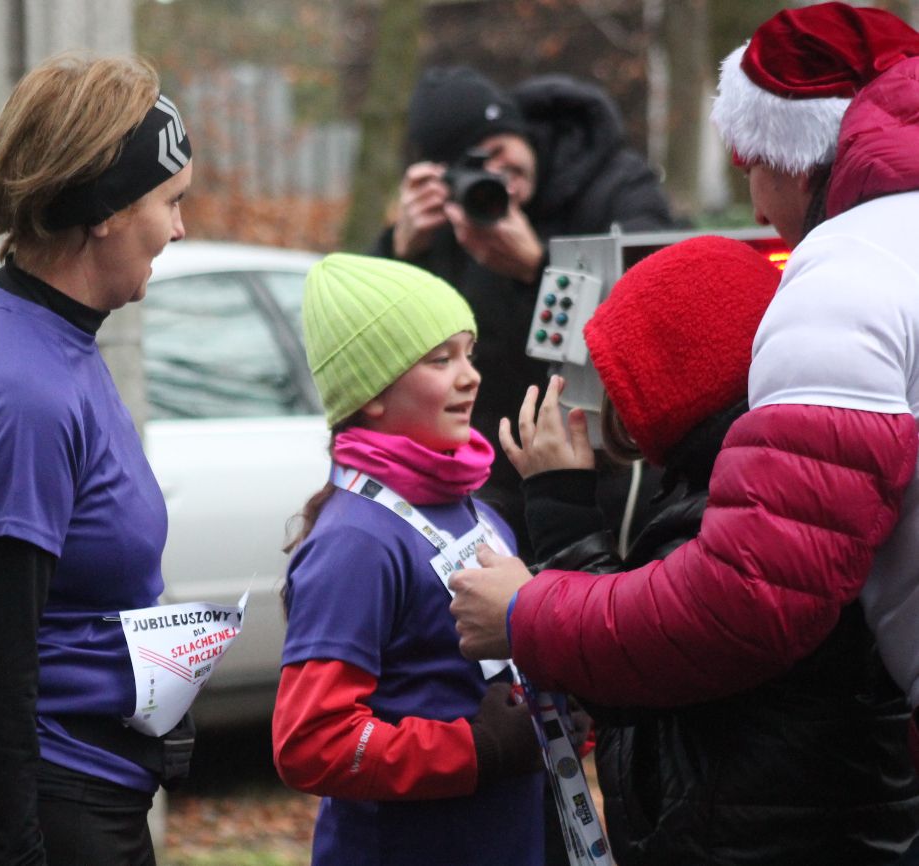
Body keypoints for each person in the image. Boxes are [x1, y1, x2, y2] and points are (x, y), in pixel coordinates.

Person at [448, 0, 919, 825]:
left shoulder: (847, 272)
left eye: (751, 162)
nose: (758, 206)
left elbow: (736, 608)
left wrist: (529, 605)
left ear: (794, 155)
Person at [502, 235, 919, 865]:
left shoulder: (727, 518)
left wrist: (561, 510)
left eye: (618, 375)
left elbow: (631, 671)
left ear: (670, 380)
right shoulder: (791, 489)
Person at [0, 52, 193, 866]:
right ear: (103, 211)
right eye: (169, 202)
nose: (179, 228)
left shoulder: (37, 330)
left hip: (71, 783)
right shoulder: (23, 391)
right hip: (45, 802)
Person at [272, 253, 545, 865]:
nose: (470, 376)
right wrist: (476, 750)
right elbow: (311, 742)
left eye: (469, 353)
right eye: (440, 359)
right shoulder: (356, 541)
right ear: (372, 394)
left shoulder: (481, 512)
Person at [371, 65, 674, 545]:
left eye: (498, 152)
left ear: (519, 130)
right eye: (473, 168)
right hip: (494, 480)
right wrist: (399, 251)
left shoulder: (614, 184)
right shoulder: (454, 218)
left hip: (610, 469)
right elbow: (383, 349)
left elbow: (659, 301)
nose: (497, 179)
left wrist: (539, 265)